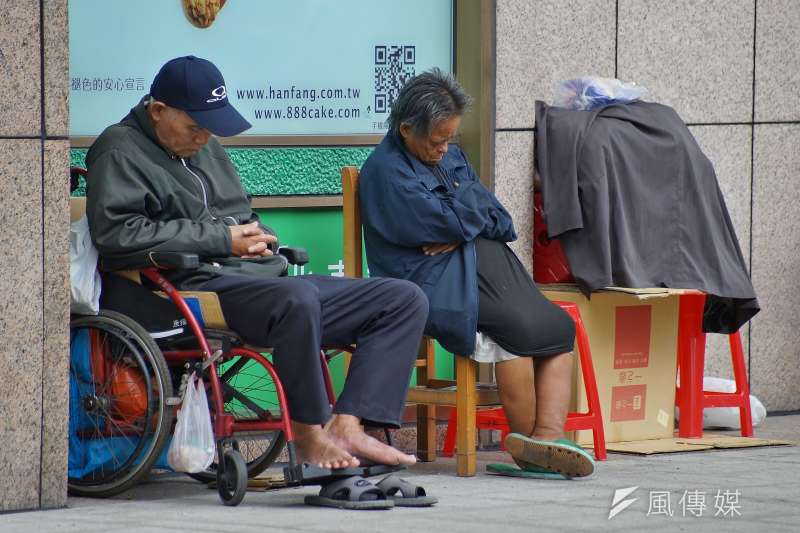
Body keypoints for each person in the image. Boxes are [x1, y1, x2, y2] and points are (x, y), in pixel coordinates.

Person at [85, 55, 428, 470]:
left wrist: (256, 237)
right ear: (158, 111)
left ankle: (350, 425)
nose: (205, 137)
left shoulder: (204, 147)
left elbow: (239, 213)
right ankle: (308, 434)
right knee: (296, 299)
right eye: (195, 126)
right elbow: (118, 235)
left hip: (255, 280)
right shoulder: (118, 149)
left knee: (403, 298)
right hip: (191, 287)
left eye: (210, 127)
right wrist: (222, 240)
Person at [359, 69, 595, 477]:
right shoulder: (386, 171)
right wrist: (467, 217)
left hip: (482, 268)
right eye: (435, 141)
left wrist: (461, 225)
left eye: (449, 139)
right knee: (515, 330)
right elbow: (445, 221)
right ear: (406, 129)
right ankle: (531, 451)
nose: (444, 149)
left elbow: (500, 219)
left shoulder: (448, 155)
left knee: (557, 326)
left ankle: (545, 437)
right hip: (429, 281)